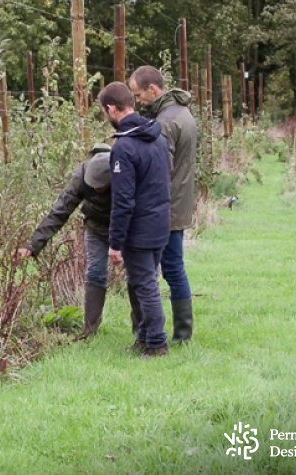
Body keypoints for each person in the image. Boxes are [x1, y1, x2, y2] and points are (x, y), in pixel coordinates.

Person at [99, 81, 172, 358]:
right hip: (160, 222)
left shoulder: (125, 147)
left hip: (141, 228)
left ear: (111, 108)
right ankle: (143, 337)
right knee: (141, 281)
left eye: (105, 112)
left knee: (146, 285)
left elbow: (123, 200)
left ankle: (156, 343)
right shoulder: (158, 136)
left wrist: (115, 243)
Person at [128, 66, 198, 343]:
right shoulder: (182, 112)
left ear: (152, 90)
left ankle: (154, 333)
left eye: (138, 95)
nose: (137, 101)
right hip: (179, 202)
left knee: (156, 270)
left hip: (165, 206)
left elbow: (159, 168)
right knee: (173, 267)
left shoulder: (166, 122)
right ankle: (182, 333)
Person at [17, 143, 113, 340]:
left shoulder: (126, 173)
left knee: (138, 276)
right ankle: (90, 330)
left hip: (128, 228)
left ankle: (142, 332)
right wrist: (33, 245)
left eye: (103, 187)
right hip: (96, 228)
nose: (99, 189)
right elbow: (59, 212)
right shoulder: (80, 179)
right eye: (95, 186)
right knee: (95, 272)